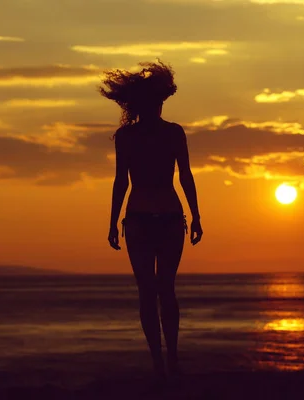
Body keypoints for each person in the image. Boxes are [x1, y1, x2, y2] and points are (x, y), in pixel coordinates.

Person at [100, 60, 203, 382]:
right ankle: (161, 361)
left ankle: (169, 359)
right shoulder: (130, 137)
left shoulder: (170, 133)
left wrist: (197, 215)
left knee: (162, 290)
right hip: (145, 219)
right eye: (154, 102)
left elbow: (185, 175)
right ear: (143, 104)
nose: (158, 107)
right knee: (151, 290)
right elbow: (121, 181)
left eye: (160, 102)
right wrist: (113, 221)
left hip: (164, 218)